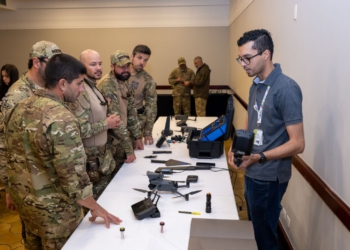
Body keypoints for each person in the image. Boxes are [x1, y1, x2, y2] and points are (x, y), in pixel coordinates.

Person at [4, 53, 122, 250]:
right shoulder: (62, 118)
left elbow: (8, 156)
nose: (82, 89)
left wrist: (9, 188)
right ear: (63, 84)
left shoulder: (19, 108)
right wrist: (96, 207)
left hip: (28, 210)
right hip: (57, 218)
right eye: (79, 83)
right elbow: (73, 180)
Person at [227, 29, 305, 250]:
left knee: (264, 237)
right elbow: (250, 122)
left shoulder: (286, 89)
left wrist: (259, 156)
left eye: (247, 58)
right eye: (240, 58)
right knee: (254, 230)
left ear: (266, 54)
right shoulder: (256, 84)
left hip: (269, 177)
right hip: (252, 169)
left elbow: (298, 144)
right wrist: (235, 146)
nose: (243, 64)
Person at [68, 49, 121, 200]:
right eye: (92, 64)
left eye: (100, 63)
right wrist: (106, 123)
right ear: (81, 67)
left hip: (102, 157)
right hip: (91, 159)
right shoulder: (81, 91)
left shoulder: (93, 87)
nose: (98, 68)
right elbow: (79, 130)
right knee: (97, 203)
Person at [98, 50, 143, 169]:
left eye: (127, 66)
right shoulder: (107, 85)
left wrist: (138, 137)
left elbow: (131, 112)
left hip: (123, 139)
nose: (126, 70)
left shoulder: (125, 82)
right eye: (121, 66)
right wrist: (129, 148)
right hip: (111, 144)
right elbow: (116, 120)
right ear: (112, 67)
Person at [129, 45, 157, 145]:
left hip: (136, 122)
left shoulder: (147, 80)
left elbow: (151, 106)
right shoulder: (120, 73)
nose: (142, 63)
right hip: (118, 122)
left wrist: (148, 132)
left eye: (145, 60)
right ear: (132, 57)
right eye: (139, 58)